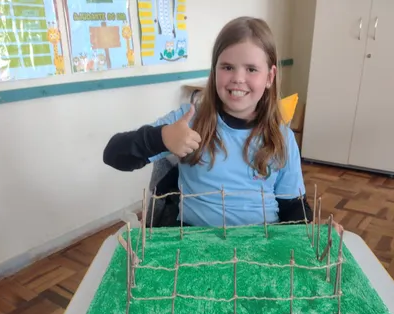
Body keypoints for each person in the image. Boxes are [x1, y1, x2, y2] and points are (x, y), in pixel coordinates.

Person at [103, 16, 312, 228]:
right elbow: (113, 155)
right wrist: (162, 138)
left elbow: (293, 207)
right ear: (214, 71)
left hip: (260, 245)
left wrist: (314, 234)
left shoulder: (282, 138)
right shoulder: (189, 120)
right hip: (194, 246)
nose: (238, 78)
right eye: (228, 67)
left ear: (269, 76)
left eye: (251, 69)